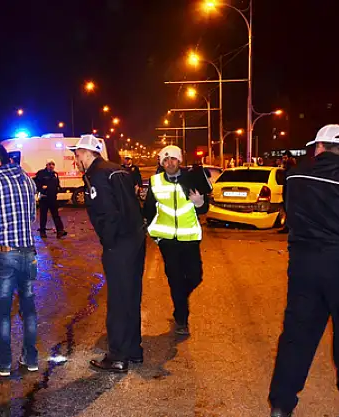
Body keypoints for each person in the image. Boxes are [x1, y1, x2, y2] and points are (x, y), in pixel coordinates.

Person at [268, 125, 339, 417]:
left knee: (297, 335)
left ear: (319, 147)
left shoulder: (296, 176)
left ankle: (281, 404)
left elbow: (291, 214)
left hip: (303, 266)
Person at [70, 135, 146, 373]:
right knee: (131, 296)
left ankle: (117, 356)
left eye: (77, 155)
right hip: (135, 240)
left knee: (118, 300)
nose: (75, 160)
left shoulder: (98, 175)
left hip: (120, 244)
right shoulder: (117, 170)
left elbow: (108, 213)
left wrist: (109, 242)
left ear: (88, 153)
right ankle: (133, 349)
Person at [0, 145, 39, 377]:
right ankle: (31, 359)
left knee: (3, 311)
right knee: (28, 309)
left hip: (6, 253)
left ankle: (3, 363)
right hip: (28, 252)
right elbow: (32, 215)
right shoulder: (27, 179)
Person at [143, 145, 209, 336]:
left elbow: (204, 208)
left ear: (179, 161)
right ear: (161, 163)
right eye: (165, 160)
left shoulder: (191, 178)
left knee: (195, 276)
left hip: (190, 238)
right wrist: (154, 235)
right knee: (175, 279)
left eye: (173, 159)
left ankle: (180, 297)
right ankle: (181, 319)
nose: (169, 163)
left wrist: (200, 203)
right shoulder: (155, 182)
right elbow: (148, 210)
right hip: (167, 242)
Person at [34, 159, 66, 238]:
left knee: (56, 215)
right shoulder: (41, 173)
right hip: (44, 198)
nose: (51, 166)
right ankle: (42, 231)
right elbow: (36, 183)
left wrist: (58, 189)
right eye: (49, 164)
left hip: (52, 198)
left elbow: (57, 184)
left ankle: (60, 231)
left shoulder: (55, 174)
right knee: (43, 215)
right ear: (46, 165)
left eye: (53, 164)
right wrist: (41, 188)